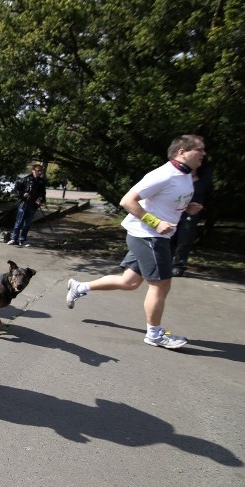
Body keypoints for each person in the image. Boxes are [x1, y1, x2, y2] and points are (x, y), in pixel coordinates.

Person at [65, 134, 206, 350]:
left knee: (129, 283)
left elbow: (166, 199)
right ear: (181, 152)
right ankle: (155, 335)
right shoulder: (163, 174)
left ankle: (79, 287)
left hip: (154, 236)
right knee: (161, 285)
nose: (203, 154)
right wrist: (156, 223)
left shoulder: (185, 174)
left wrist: (186, 208)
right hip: (149, 236)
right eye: (199, 150)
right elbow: (127, 201)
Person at [170, 163, 213, 276]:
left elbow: (207, 194)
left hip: (192, 213)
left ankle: (178, 265)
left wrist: (201, 207)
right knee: (170, 237)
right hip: (174, 211)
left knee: (185, 239)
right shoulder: (178, 176)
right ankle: (165, 262)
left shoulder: (203, 178)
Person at [7, 164, 47, 247]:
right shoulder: (25, 179)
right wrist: (22, 194)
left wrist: (40, 199)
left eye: (41, 171)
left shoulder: (41, 182)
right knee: (19, 222)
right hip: (23, 204)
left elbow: (43, 193)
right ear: (33, 170)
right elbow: (15, 190)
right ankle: (14, 239)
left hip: (33, 205)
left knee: (27, 224)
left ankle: (22, 239)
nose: (39, 172)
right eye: (38, 170)